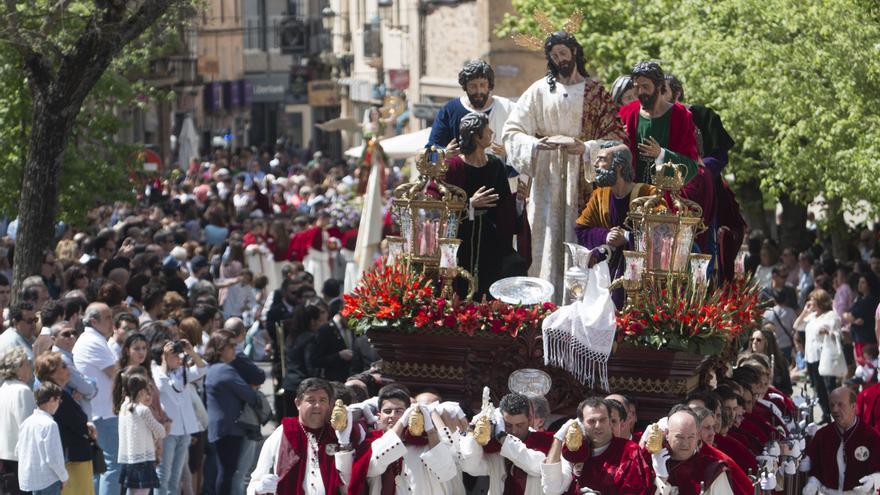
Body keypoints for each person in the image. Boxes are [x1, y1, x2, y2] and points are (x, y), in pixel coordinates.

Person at [502, 30, 626, 296]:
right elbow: (512, 131)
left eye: (563, 53)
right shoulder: (538, 91)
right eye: (554, 55)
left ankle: (579, 301)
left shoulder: (595, 92)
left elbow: (617, 138)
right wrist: (535, 145)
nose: (560, 59)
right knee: (545, 241)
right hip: (546, 179)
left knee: (577, 238)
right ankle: (543, 300)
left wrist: (586, 148)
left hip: (583, 177)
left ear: (574, 53)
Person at [444, 112, 521, 298]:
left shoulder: (495, 165)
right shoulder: (454, 166)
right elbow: (443, 205)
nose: (492, 132)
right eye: (487, 130)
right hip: (462, 239)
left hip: (491, 241)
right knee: (461, 288)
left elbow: (504, 205)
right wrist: (470, 204)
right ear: (476, 136)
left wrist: (518, 200)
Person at [574, 140, 656, 307]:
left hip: (639, 276)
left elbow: (661, 233)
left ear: (618, 166)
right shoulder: (599, 195)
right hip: (606, 274)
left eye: (602, 159)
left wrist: (627, 237)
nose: (596, 165)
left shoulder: (647, 194)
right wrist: (606, 236)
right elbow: (581, 229)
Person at [247, 378, 356, 495]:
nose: (317, 405)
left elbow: (349, 484)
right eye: (311, 400)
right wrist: (258, 489)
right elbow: (255, 482)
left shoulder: (335, 434)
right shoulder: (282, 433)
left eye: (323, 400)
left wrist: (344, 445)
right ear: (298, 403)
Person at [346, 384, 457, 494]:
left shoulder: (426, 441)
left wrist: (430, 428)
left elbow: (446, 473)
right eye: (387, 411)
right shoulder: (371, 441)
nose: (393, 415)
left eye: (399, 411)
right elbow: (373, 468)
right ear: (379, 416)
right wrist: (400, 423)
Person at [543, 397, 652, 494]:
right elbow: (551, 489)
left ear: (609, 421)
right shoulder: (574, 450)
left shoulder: (629, 451)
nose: (598, 426)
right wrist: (559, 437)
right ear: (581, 423)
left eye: (602, 420)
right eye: (591, 421)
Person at [618, 62, 698, 185]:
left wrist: (661, 154)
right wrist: (619, 140)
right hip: (631, 194)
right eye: (636, 87)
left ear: (659, 85)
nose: (640, 92)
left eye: (645, 86)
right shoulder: (627, 113)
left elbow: (691, 166)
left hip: (666, 196)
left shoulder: (681, 116)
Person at [459, 392, 555, 494]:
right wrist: (471, 430)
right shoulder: (495, 447)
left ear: (530, 419)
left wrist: (503, 438)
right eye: (508, 425)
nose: (514, 431)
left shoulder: (545, 441)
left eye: (519, 425)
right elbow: (469, 466)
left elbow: (536, 467)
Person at [72, 302, 120, 495]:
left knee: (101, 469)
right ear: (93, 321)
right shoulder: (92, 341)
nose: (112, 322)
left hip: (101, 412)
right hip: (102, 414)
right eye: (108, 318)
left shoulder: (98, 340)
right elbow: (117, 374)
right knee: (113, 467)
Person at [204, 331, 260, 493]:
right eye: (231, 346)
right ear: (221, 349)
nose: (234, 349)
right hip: (229, 429)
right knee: (227, 472)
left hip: (221, 427)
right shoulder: (225, 370)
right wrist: (252, 390)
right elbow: (250, 395)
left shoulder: (213, 369)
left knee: (224, 471)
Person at [35, 351, 96, 495]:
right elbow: (77, 424)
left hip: (71, 459)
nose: (68, 369)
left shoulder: (60, 394)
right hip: (72, 460)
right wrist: (87, 427)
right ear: (51, 373)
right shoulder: (56, 397)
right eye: (63, 366)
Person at [427, 59, 513, 158]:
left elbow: (526, 143)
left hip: (500, 173)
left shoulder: (507, 108)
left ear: (489, 85)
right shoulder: (450, 110)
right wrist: (444, 153)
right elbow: (431, 150)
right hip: (460, 172)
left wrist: (509, 151)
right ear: (465, 87)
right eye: (473, 86)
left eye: (483, 85)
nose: (479, 91)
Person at [153, 338, 206, 495]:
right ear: (163, 356)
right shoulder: (155, 371)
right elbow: (160, 384)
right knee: (163, 476)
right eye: (174, 355)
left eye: (179, 355)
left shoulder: (182, 372)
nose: (179, 358)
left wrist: (190, 351)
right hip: (168, 431)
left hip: (185, 430)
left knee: (176, 478)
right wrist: (165, 362)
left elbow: (202, 368)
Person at [803, 387, 880, 494]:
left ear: (853, 406)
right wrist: (813, 482)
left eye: (840, 404)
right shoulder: (822, 435)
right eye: (832, 405)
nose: (834, 410)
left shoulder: (871, 436)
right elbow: (816, 469)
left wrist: (874, 480)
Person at [652, 409, 734, 494]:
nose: (685, 443)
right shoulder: (655, 466)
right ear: (667, 434)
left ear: (698, 436)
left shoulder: (711, 469)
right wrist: (661, 479)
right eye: (679, 437)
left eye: (691, 437)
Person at [117, 373, 167, 495]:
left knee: (131, 491)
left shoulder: (124, 407)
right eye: (146, 390)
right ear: (140, 392)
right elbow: (161, 432)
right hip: (143, 458)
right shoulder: (143, 409)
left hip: (129, 458)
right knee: (142, 492)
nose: (148, 393)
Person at [794, 288, 839, 422]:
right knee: (817, 386)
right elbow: (797, 326)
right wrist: (805, 311)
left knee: (828, 387)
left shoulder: (830, 315)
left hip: (825, 357)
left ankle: (835, 413)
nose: (810, 304)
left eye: (812, 301)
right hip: (811, 357)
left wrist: (827, 332)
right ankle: (826, 413)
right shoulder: (811, 317)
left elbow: (837, 332)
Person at [16, 382, 68, 495]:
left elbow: (18, 451)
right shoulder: (50, 424)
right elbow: (53, 458)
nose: (59, 404)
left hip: (30, 481)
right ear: (52, 399)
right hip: (48, 481)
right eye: (59, 400)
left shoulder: (26, 422)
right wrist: (64, 477)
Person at [0, 347, 36, 494]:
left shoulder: (3, 389)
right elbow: (28, 430)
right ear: (19, 366)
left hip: (4, 459)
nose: (30, 366)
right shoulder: (22, 390)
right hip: (19, 462)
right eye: (27, 362)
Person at [50, 321, 98, 417]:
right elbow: (88, 388)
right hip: (71, 415)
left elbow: (85, 387)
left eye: (74, 333)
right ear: (53, 339)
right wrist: (92, 385)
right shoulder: (61, 359)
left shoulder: (67, 356)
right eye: (66, 334)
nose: (72, 337)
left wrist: (86, 388)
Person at [311, 310, 356, 382]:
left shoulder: (352, 328)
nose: (352, 321)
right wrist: (339, 355)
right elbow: (315, 360)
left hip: (351, 379)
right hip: (333, 381)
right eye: (349, 317)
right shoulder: (325, 330)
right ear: (342, 312)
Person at [845, 272, 880, 365]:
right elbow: (846, 314)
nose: (859, 285)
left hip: (866, 340)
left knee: (867, 366)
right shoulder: (860, 299)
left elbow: (854, 315)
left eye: (863, 282)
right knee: (860, 366)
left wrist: (851, 318)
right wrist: (853, 320)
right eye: (859, 282)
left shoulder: (871, 300)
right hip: (857, 338)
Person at [762, 289, 797, 363]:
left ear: (774, 299)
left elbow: (763, 328)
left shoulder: (768, 312)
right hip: (787, 344)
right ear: (785, 299)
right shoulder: (790, 311)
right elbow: (795, 328)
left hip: (773, 345)